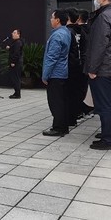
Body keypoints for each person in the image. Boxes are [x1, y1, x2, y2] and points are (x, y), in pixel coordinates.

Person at [85, 0, 111, 150]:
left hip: (102, 68)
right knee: (106, 103)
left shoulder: (104, 16)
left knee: (104, 104)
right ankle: (109, 133)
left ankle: (109, 140)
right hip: (108, 65)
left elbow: (99, 45)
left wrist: (92, 68)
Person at [42, 9, 72, 137]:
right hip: (62, 72)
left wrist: (45, 75)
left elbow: (52, 57)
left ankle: (58, 127)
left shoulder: (57, 35)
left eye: (52, 17)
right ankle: (63, 126)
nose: (50, 19)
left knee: (55, 102)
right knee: (61, 101)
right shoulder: (66, 32)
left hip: (55, 73)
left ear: (58, 20)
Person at [65, 9, 87, 126]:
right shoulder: (81, 31)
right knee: (76, 92)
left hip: (69, 66)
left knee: (68, 94)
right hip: (80, 65)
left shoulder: (67, 31)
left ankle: (69, 118)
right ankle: (76, 115)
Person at [6, 29, 23, 99]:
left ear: (18, 34)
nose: (12, 34)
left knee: (15, 78)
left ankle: (17, 94)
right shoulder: (16, 42)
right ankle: (16, 92)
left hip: (16, 63)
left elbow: (16, 54)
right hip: (15, 63)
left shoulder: (18, 42)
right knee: (14, 78)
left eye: (14, 33)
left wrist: (13, 62)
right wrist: (9, 48)